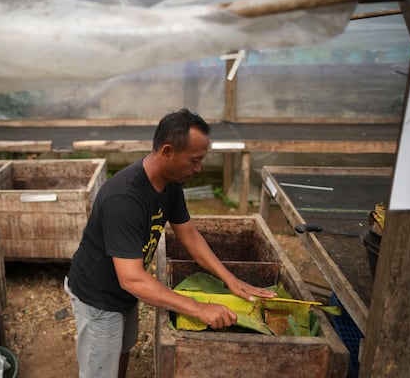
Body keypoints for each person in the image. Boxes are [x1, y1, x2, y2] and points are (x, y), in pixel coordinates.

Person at [64, 108, 276, 378]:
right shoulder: (124, 198)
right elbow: (132, 279)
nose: (198, 169)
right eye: (194, 160)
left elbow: (189, 236)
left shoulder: (170, 183)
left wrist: (230, 279)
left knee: (121, 350)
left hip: (124, 294)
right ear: (167, 152)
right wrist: (199, 308)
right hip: (98, 298)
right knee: (99, 369)